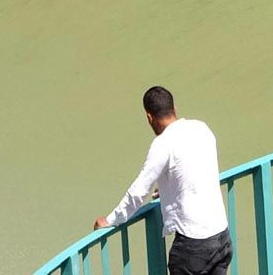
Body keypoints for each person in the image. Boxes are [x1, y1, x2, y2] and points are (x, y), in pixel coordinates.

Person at [94, 86, 232, 275]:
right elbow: (198, 170)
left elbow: (139, 191)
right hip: (221, 236)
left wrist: (110, 220)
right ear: (174, 107)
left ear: (149, 117)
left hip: (193, 246)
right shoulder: (201, 127)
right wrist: (169, 188)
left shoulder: (163, 143)